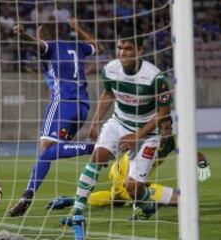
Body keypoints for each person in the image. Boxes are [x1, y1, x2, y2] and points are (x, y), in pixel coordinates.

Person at [62, 27, 173, 229]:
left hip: (147, 133)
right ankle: (77, 209)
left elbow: (164, 113)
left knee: (132, 188)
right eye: (119, 48)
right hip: (119, 122)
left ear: (139, 50)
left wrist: (137, 136)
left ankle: (147, 204)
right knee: (98, 155)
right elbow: (108, 93)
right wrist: (95, 121)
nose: (122, 52)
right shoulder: (110, 69)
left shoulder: (155, 78)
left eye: (128, 48)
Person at [8, 18, 104, 217]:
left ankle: (92, 147)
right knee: (48, 149)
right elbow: (99, 48)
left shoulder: (49, 47)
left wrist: (23, 33)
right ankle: (27, 194)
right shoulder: (77, 46)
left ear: (44, 35)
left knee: (46, 150)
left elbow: (34, 44)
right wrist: (78, 28)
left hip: (62, 103)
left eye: (39, 32)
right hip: (82, 107)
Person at [46, 116, 211, 210]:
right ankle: (140, 207)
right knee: (180, 200)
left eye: (168, 128)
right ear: (157, 128)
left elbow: (193, 153)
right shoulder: (147, 136)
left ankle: (69, 200)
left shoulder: (172, 140)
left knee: (116, 201)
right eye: (163, 129)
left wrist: (202, 163)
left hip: (130, 176)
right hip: (123, 173)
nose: (166, 132)